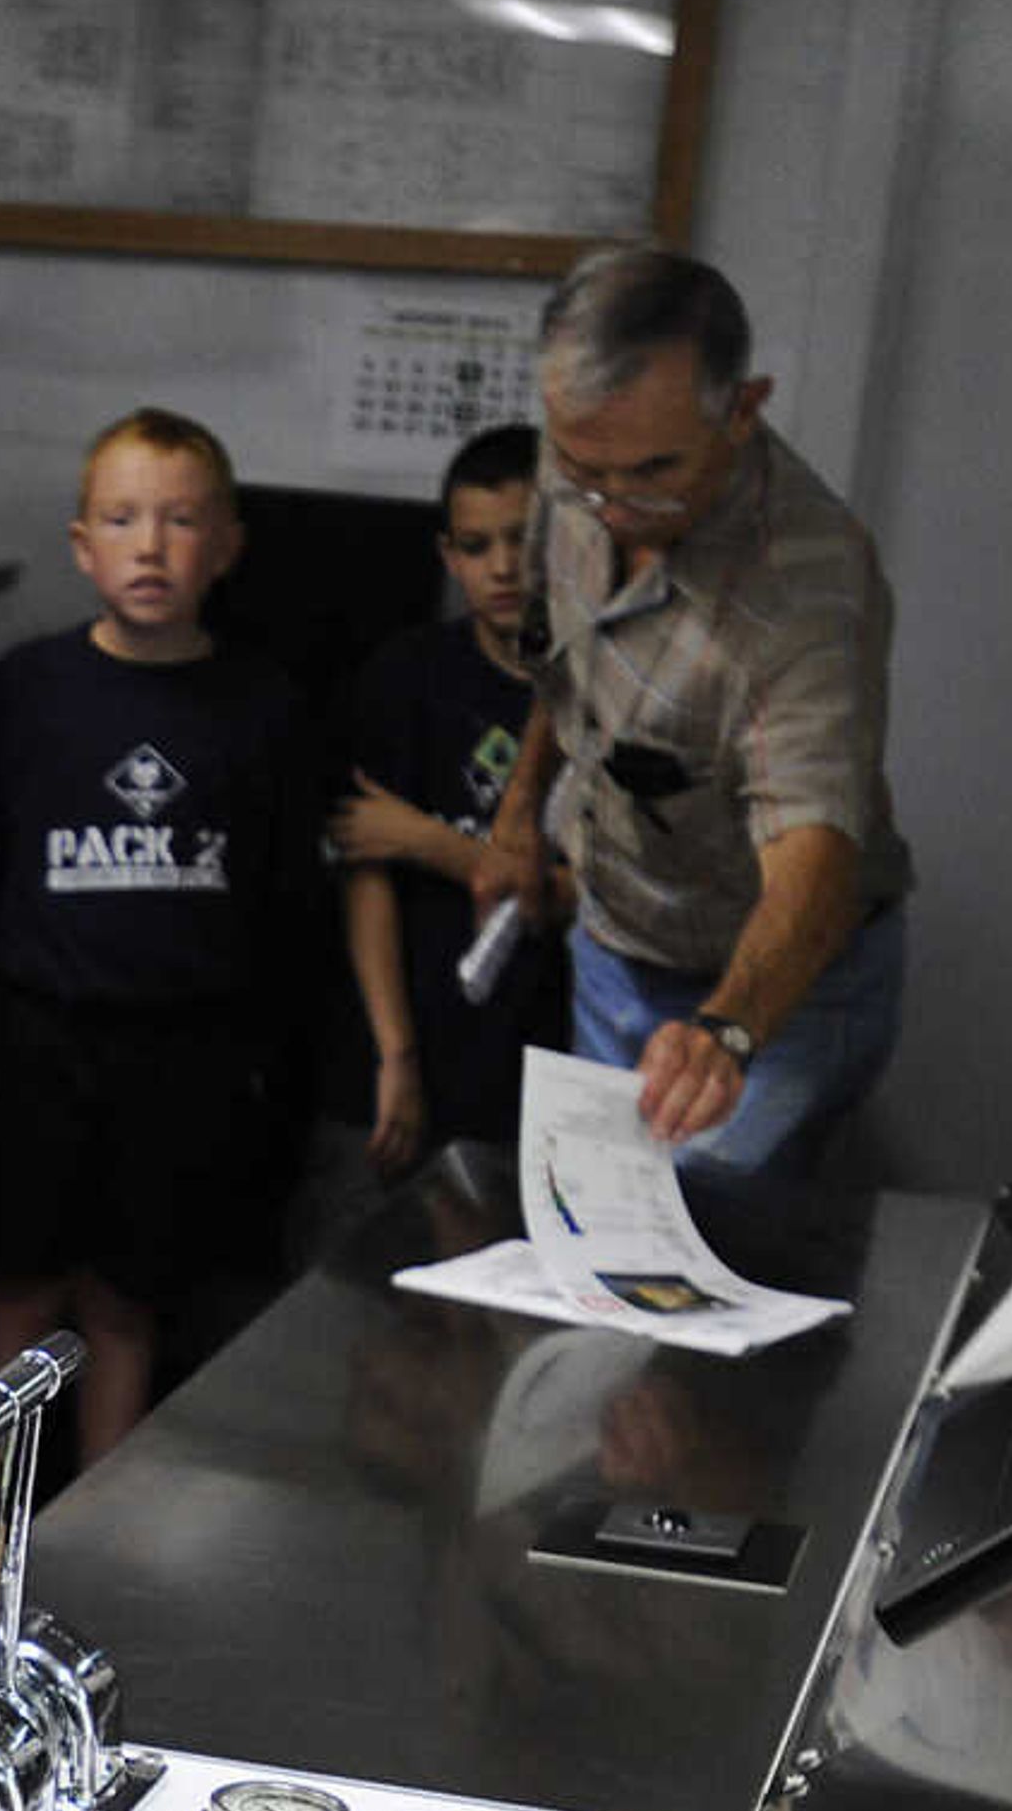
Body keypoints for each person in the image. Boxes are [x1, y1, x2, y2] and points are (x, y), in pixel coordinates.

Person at [471, 246, 917, 1179]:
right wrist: (519, 818)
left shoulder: (803, 589)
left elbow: (816, 857)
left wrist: (727, 1032)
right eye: (586, 470)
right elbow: (571, 661)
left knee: (696, 1235)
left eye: (650, 474)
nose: (611, 506)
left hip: (774, 986)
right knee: (600, 1221)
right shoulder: (577, 464)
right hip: (617, 942)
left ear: (743, 409)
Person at [0, 409, 317, 1467]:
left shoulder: (267, 704)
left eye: (180, 521)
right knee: (16, 1291)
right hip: (37, 1037)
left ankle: (91, 1544)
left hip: (184, 1053)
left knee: (129, 1302)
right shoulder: (24, 689)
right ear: (83, 544)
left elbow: (282, 900)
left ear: (227, 546)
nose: (151, 546)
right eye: (122, 520)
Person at [329, 422, 569, 1173]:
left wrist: (430, 841)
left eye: (523, 541)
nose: (503, 568)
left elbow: (574, 901)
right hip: (405, 1037)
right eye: (475, 546)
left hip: (546, 1060)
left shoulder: (607, 696)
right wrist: (395, 1054)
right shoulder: (407, 674)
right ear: (449, 557)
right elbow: (364, 857)